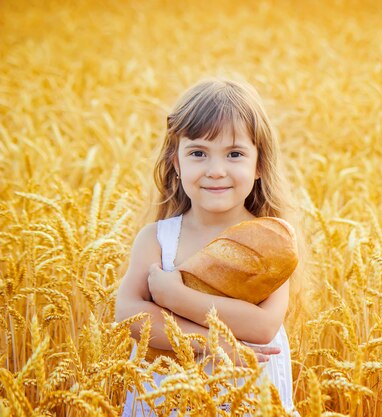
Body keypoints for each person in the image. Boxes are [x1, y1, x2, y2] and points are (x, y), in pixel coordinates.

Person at [115, 78, 300, 416]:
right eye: (198, 153)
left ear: (259, 165)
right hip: (167, 402)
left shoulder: (273, 239)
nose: (216, 171)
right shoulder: (157, 239)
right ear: (176, 162)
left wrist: (175, 298)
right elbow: (128, 313)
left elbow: (262, 327)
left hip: (249, 401)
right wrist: (212, 344)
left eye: (234, 154)